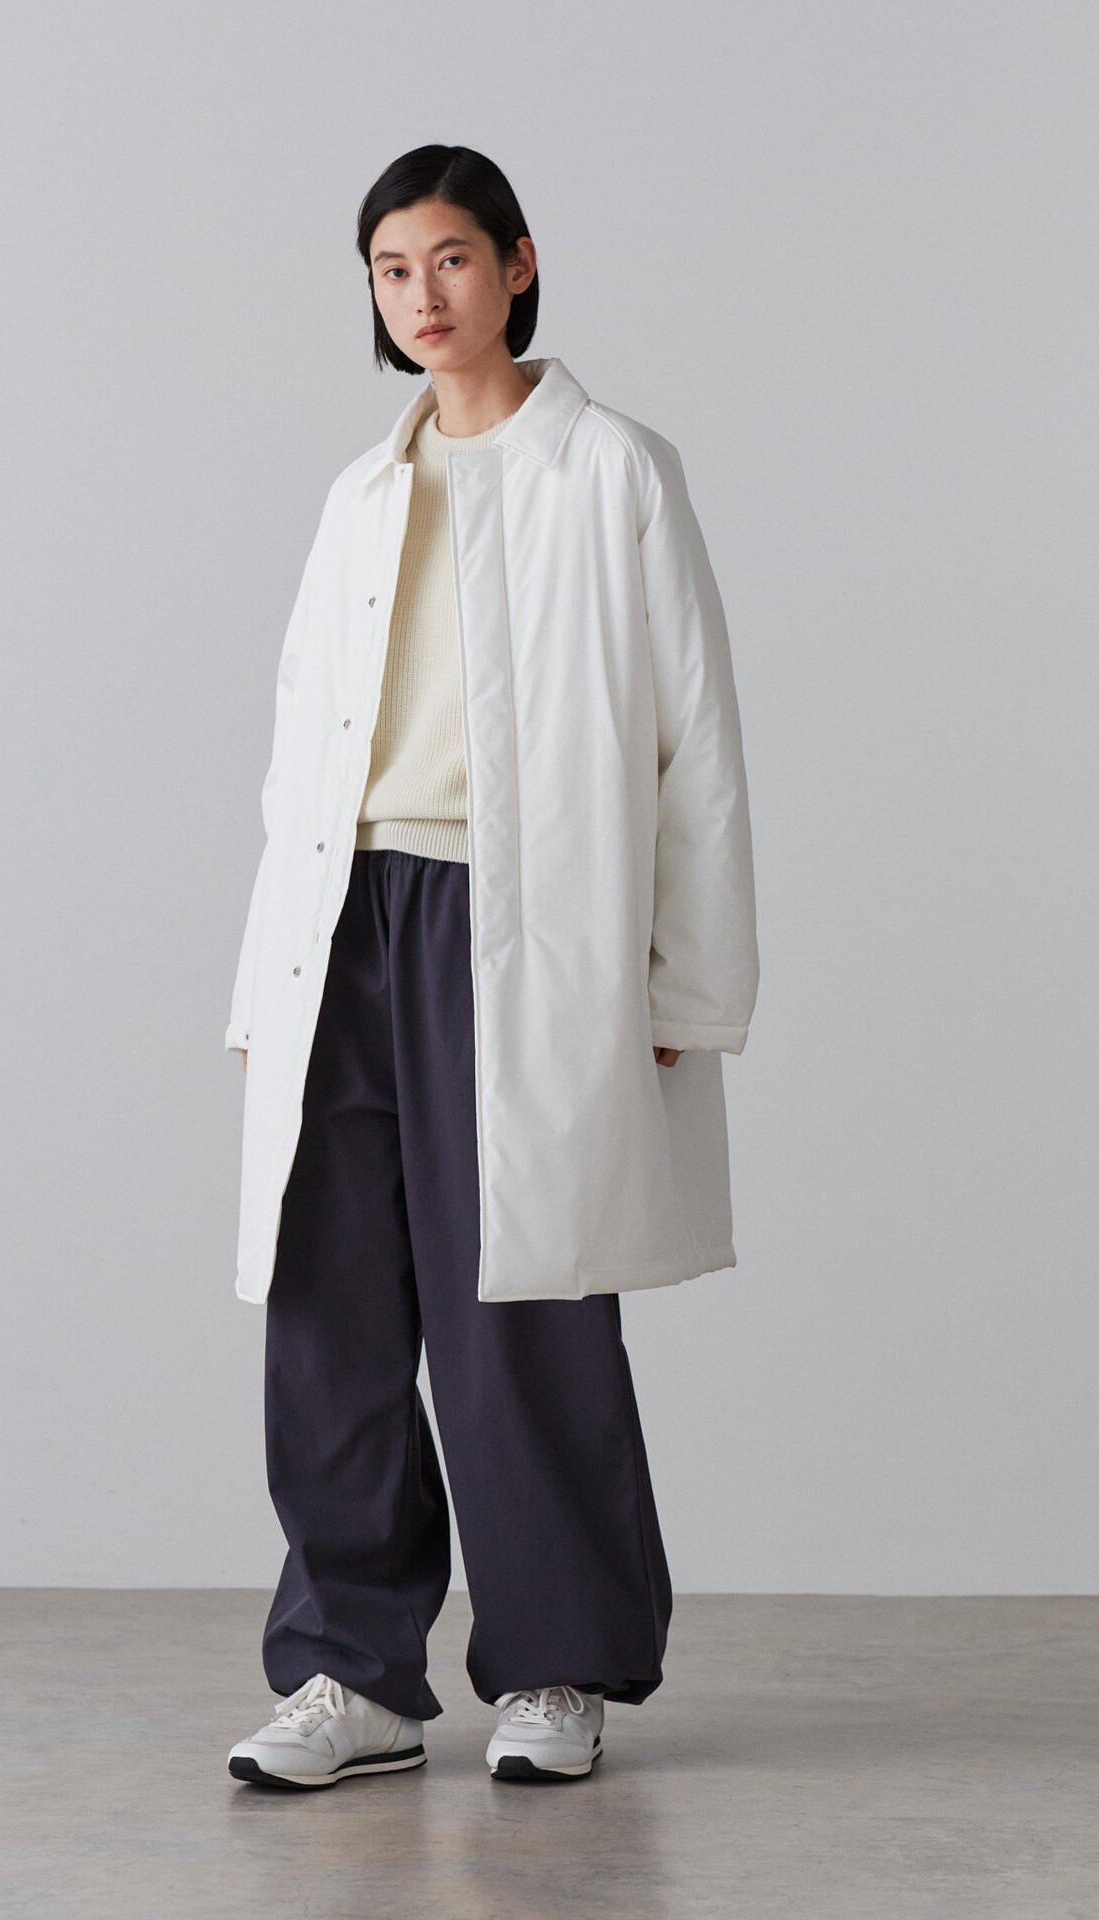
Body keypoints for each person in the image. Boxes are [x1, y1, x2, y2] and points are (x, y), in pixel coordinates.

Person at [224, 144, 759, 1790]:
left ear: (518, 263)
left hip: (521, 927)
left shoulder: (613, 470)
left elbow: (696, 744)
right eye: (393, 270)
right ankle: (354, 1672)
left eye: (451, 258)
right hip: (346, 923)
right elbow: (298, 755)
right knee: (328, 1307)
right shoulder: (360, 494)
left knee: (520, 1305)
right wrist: (263, 982)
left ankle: (560, 1664)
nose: (424, 295)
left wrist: (686, 990)